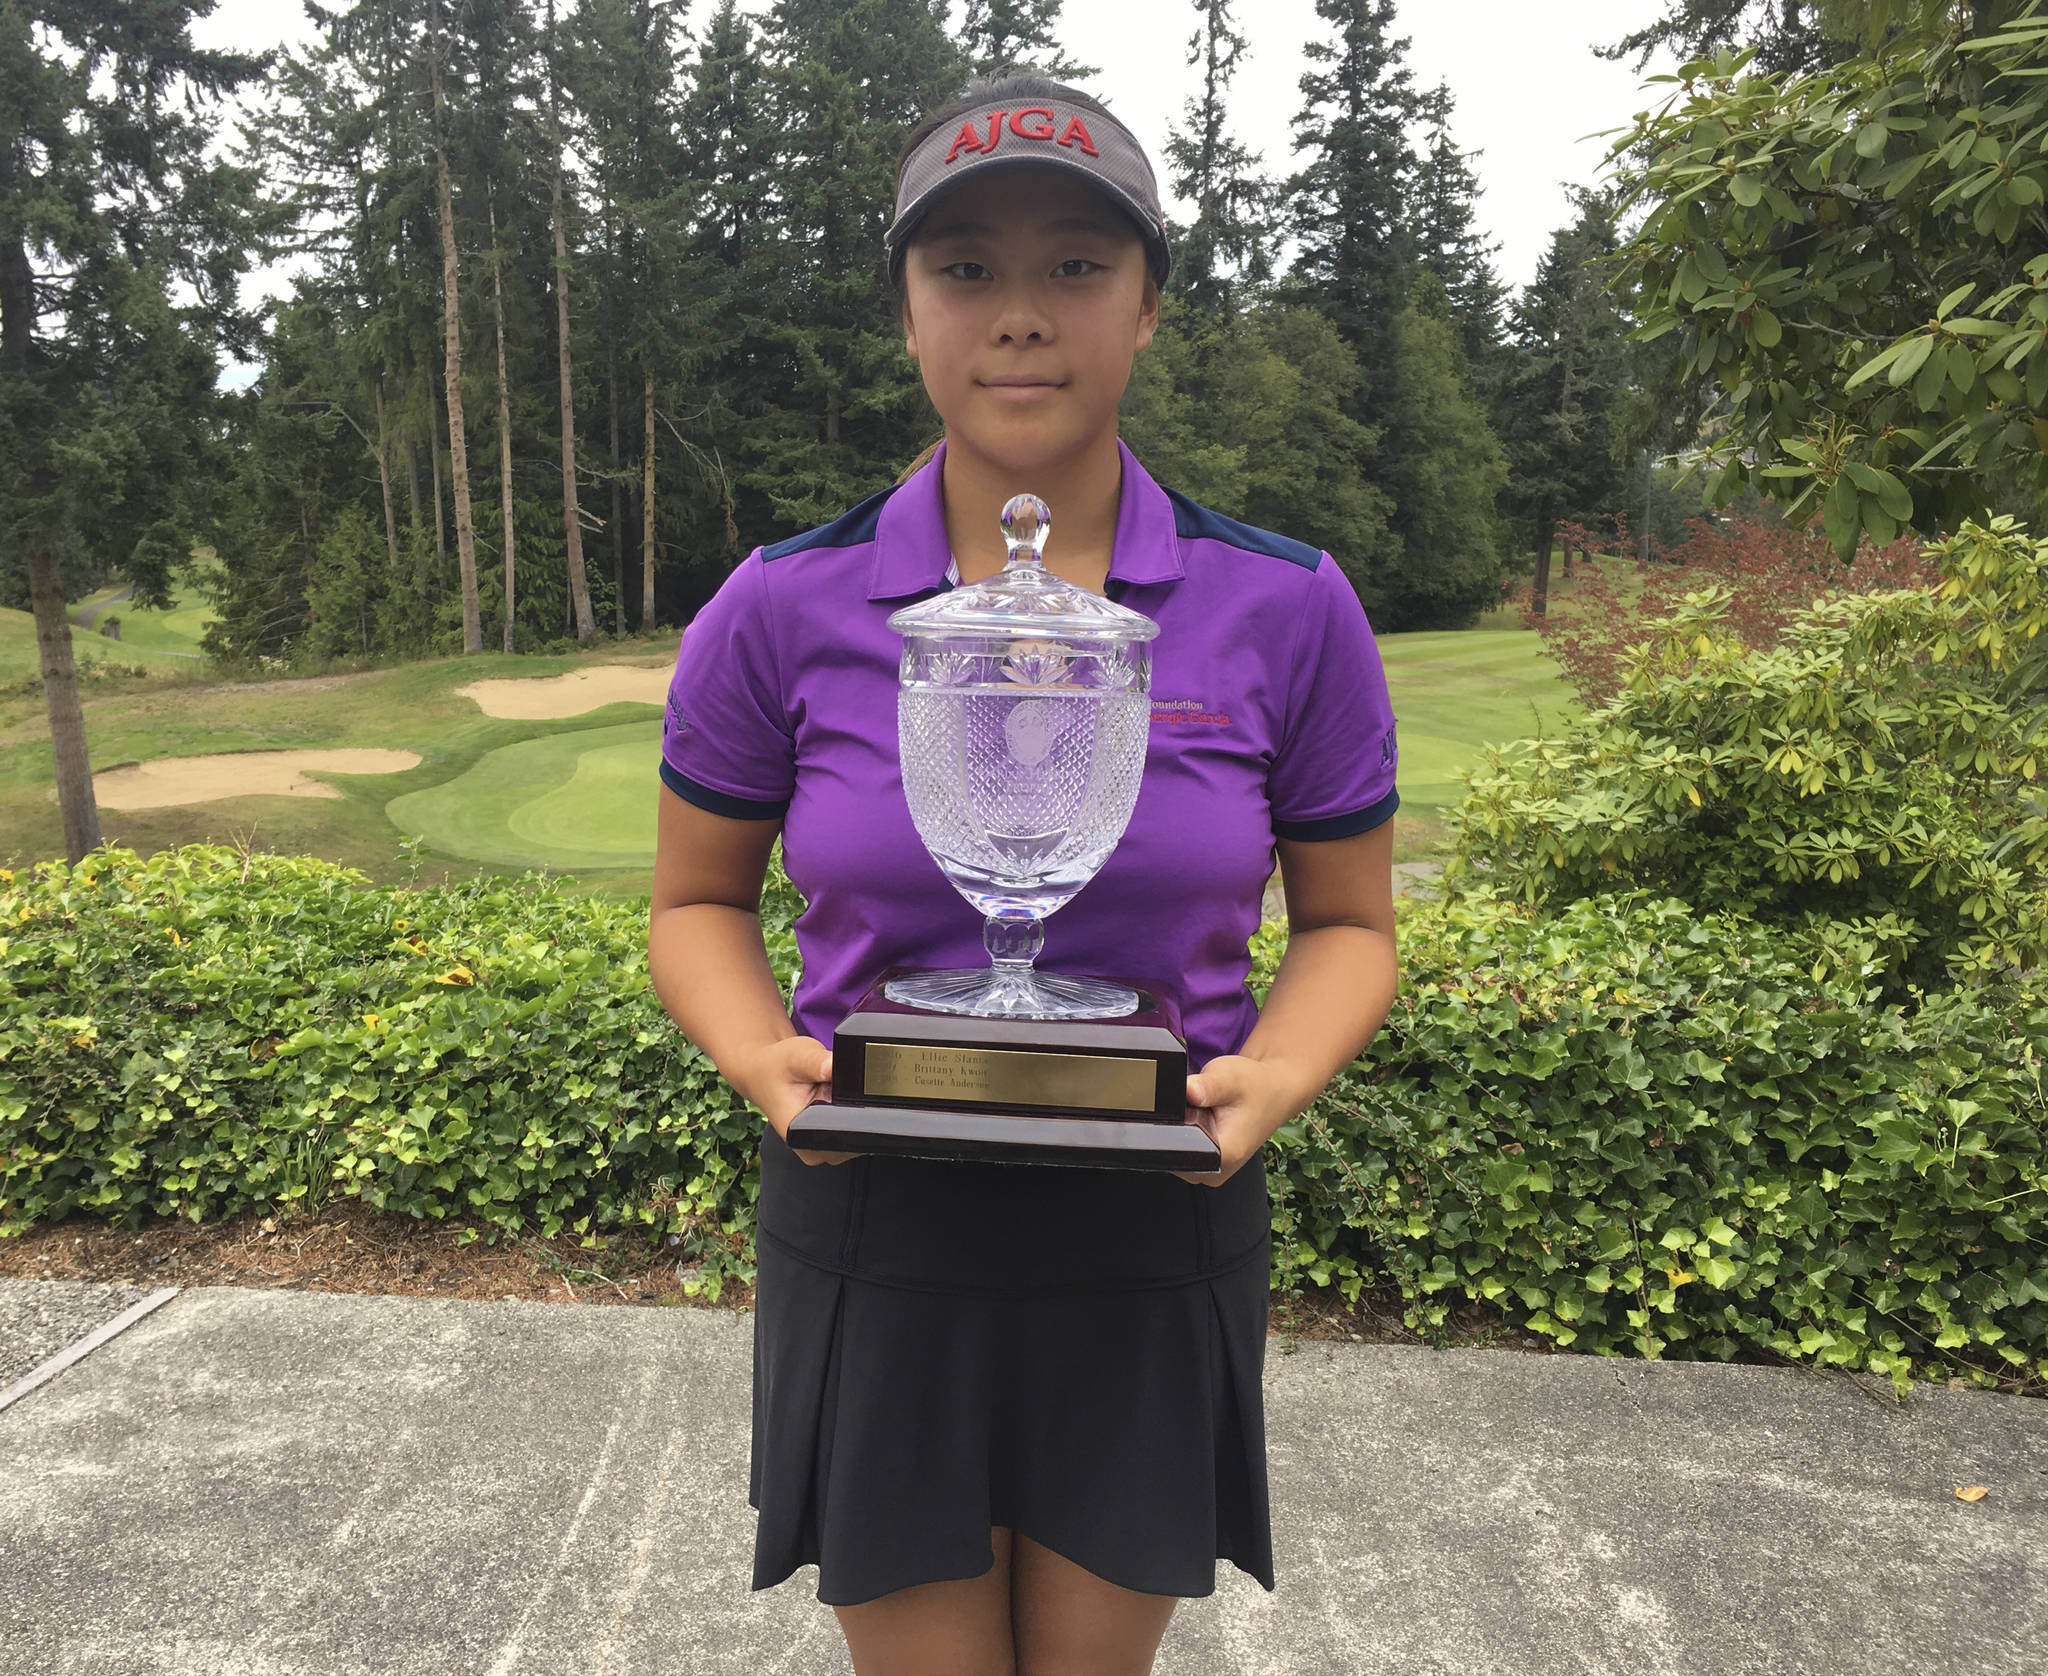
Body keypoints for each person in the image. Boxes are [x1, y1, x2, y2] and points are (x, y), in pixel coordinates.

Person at [648, 71, 1401, 1676]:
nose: (1019, 316)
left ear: (1145, 311)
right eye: (965, 269)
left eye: (1075, 265)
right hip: (873, 1214)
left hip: (1151, 1223)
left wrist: (1269, 1078)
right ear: (909, 316)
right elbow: (694, 902)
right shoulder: (783, 602)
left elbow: (1348, 927)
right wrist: (764, 1063)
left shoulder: (1287, 605)